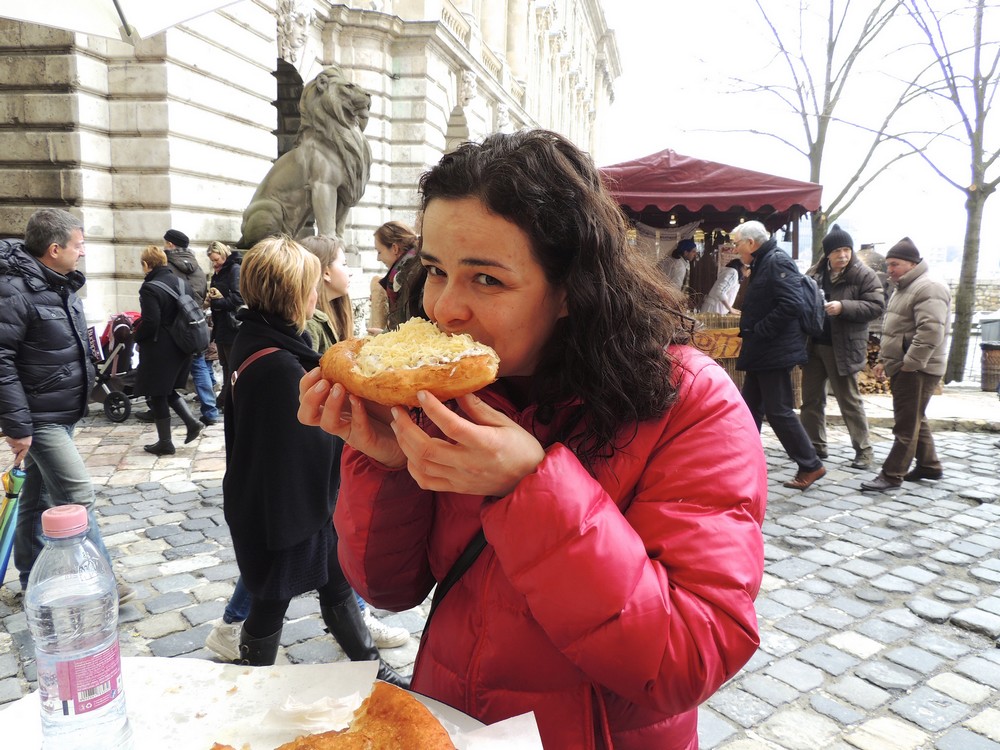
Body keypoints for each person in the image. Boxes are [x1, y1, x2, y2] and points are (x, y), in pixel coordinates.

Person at [298, 130, 767, 749]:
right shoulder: (452, 396)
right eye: (436, 270)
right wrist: (386, 464)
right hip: (455, 725)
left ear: (573, 287)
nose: (444, 309)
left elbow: (686, 658)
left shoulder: (692, 404)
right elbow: (386, 588)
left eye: (486, 280)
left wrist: (528, 487)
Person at [204, 235, 408, 659]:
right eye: (311, 286)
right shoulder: (279, 365)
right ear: (298, 293)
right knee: (273, 600)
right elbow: (309, 444)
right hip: (289, 512)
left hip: (284, 505)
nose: (316, 294)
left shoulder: (255, 338)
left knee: (333, 584)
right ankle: (253, 674)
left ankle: (370, 668)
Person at [0, 208, 134, 603]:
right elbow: (1, 359)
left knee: (37, 499)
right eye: (79, 245)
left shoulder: (59, 284)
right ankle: (103, 580)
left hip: (60, 412)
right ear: (54, 248)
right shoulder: (14, 290)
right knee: (78, 494)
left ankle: (30, 579)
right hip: (38, 419)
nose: (84, 252)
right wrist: (18, 425)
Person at [732, 220, 827, 490]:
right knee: (749, 409)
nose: (736, 249)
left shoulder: (776, 261)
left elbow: (792, 304)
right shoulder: (765, 261)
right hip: (764, 351)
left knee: (779, 411)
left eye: (738, 244)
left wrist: (759, 329)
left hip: (773, 351)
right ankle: (746, 461)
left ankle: (811, 464)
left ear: (751, 243)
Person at [861, 237, 951, 491]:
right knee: (915, 417)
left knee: (906, 424)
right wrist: (883, 360)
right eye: (888, 264)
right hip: (907, 365)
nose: (889, 269)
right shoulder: (907, 286)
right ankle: (929, 465)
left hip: (917, 369)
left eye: (894, 264)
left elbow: (930, 332)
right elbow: (895, 330)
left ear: (912, 264)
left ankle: (892, 474)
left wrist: (909, 365)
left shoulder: (928, 287)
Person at [800, 225, 885, 469]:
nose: (843, 255)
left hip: (843, 347)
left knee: (849, 401)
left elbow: (877, 306)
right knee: (811, 401)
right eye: (837, 251)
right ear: (827, 253)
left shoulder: (863, 274)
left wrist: (844, 307)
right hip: (814, 345)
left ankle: (864, 451)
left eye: (846, 249)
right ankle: (815, 447)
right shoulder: (814, 273)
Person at [133, 245, 204, 455]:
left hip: (161, 348)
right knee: (168, 390)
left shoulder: (150, 288)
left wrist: (137, 335)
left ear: (147, 265)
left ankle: (165, 442)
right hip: (183, 344)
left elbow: (151, 321)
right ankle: (191, 423)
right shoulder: (181, 282)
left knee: (157, 393)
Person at [206, 240, 242, 409]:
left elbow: (238, 298)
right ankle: (226, 400)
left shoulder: (234, 270)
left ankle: (226, 401)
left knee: (231, 365)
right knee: (225, 365)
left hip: (231, 326)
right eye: (212, 261)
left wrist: (218, 301)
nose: (214, 264)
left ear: (223, 254)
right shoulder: (219, 273)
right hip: (221, 326)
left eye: (216, 259)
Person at [371, 220, 423, 332]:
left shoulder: (406, 276)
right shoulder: (414, 266)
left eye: (379, 252)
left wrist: (387, 335)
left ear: (395, 248)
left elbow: (410, 324)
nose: (378, 258)